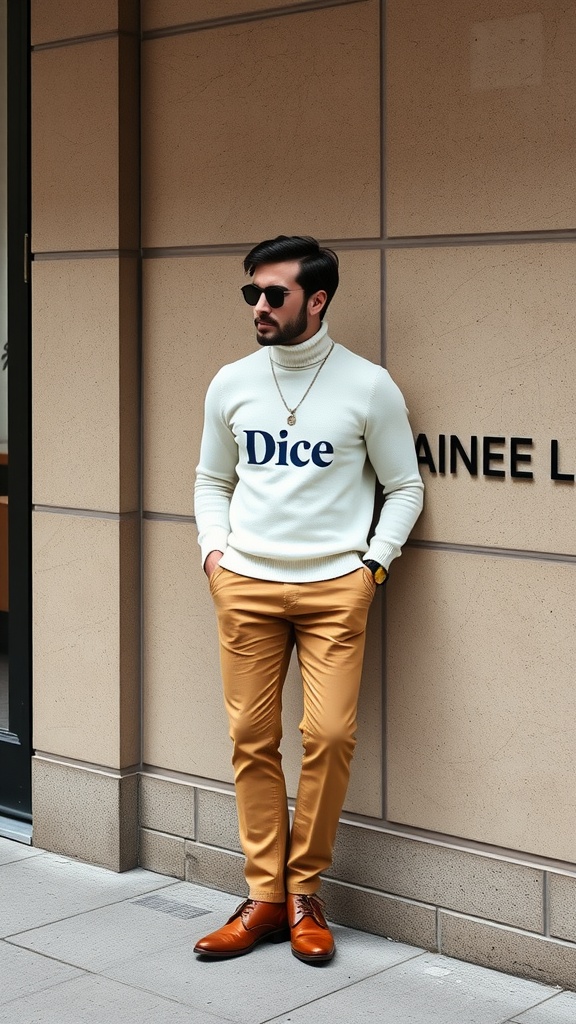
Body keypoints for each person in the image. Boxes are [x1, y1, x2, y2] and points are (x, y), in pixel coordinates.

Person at [193, 235, 423, 964]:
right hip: (247, 585)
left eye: (274, 295)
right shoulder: (231, 381)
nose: (258, 307)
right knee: (250, 741)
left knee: (326, 738)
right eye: (250, 294)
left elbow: (406, 487)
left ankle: (304, 892)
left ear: (316, 300)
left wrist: (372, 568)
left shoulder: (368, 385)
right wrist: (214, 556)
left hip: (335, 589)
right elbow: (211, 479)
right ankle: (264, 897)